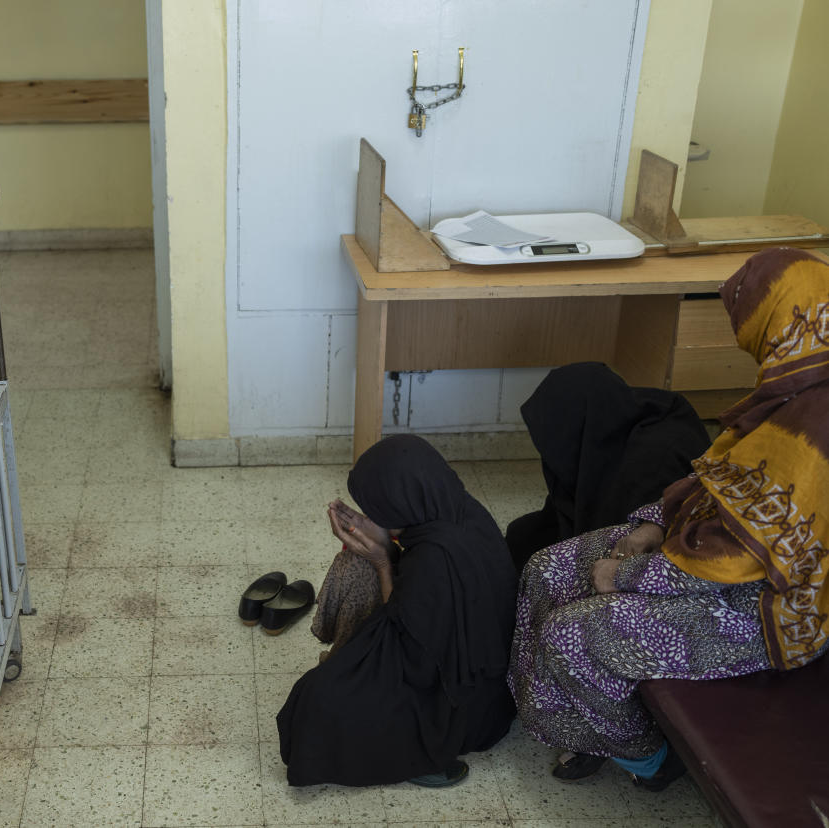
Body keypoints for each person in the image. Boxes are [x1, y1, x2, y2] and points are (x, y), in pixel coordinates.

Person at [508, 247, 829, 791]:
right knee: (547, 568)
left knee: (572, 634)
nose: (745, 336)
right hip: (699, 556)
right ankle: (587, 726)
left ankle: (647, 756)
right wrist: (651, 524)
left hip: (766, 608)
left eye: (750, 320)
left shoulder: (817, 425)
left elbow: (743, 558)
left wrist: (623, 575)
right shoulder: (788, 389)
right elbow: (714, 479)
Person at [277, 434, 517, 788]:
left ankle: (417, 755)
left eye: (379, 507)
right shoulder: (457, 508)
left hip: (460, 709)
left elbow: (412, 655)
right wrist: (382, 539)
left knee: (315, 702)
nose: (373, 514)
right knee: (353, 565)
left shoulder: (436, 558)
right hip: (480, 680)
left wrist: (382, 561)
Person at [504, 362, 711, 570]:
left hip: (649, 558)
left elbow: (620, 550)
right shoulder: (617, 415)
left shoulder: (648, 466)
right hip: (610, 512)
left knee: (540, 565)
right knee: (521, 536)